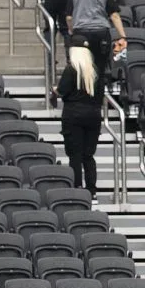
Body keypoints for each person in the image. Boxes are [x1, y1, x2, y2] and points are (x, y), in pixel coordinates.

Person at [57, 34, 104, 198]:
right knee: (88, 156)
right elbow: (100, 96)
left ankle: (77, 189)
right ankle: (92, 191)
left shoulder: (71, 70)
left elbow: (62, 91)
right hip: (93, 116)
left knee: (75, 156)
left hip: (73, 115)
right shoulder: (95, 71)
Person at [66, 0, 128, 80]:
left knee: (82, 70)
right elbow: (114, 16)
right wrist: (122, 36)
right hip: (101, 34)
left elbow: (69, 17)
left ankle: (85, 95)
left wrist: (72, 31)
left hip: (81, 34)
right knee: (99, 70)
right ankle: (98, 97)